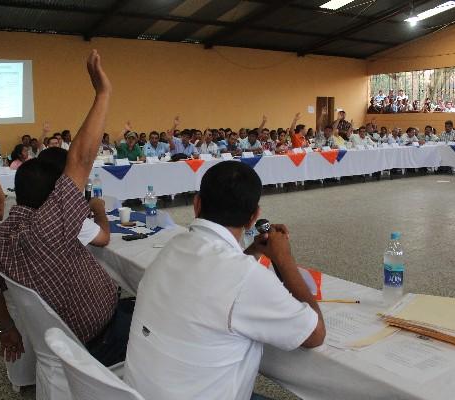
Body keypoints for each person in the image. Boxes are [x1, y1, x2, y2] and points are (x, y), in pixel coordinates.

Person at [124, 161, 325, 400]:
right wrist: (284, 259)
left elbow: (216, 279)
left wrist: (252, 252)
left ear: (197, 204)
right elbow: (314, 334)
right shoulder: (246, 277)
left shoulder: (174, 246)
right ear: (253, 218)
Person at [0, 50, 130, 367]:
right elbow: (81, 159)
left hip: (52, 336)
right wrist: (103, 93)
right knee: (162, 314)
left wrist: (6, 329)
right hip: (101, 338)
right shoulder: (52, 222)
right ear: (54, 197)